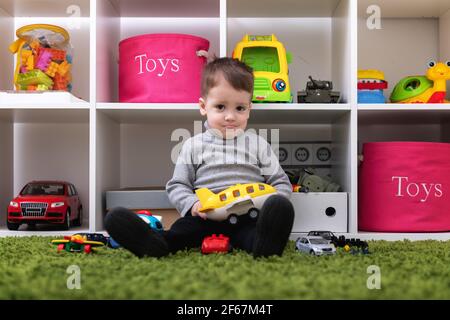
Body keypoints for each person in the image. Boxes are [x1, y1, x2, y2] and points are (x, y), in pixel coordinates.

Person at [105, 57, 295, 258]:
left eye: (239, 108)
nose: (230, 116)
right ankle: (156, 243)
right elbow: (177, 185)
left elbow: (280, 181)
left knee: (257, 230)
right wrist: (193, 205)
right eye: (220, 107)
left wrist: (272, 203)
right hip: (206, 218)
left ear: (249, 109)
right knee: (182, 231)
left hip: (248, 217)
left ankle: (265, 244)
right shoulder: (193, 145)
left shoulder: (259, 144)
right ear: (204, 107)